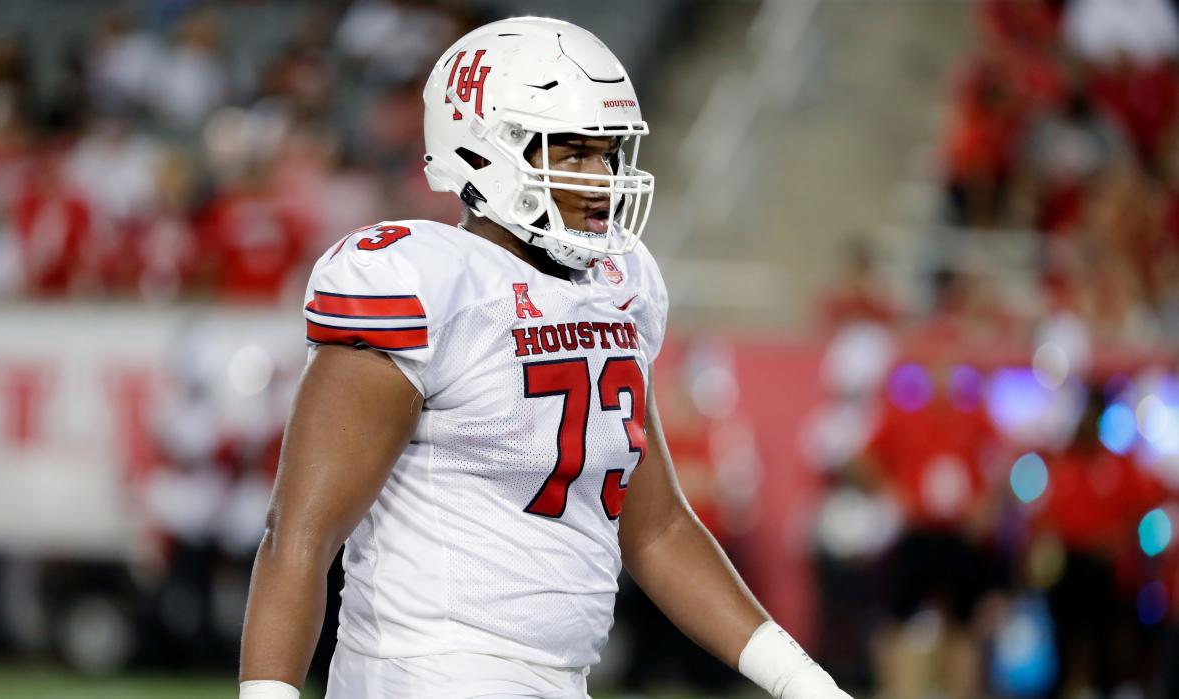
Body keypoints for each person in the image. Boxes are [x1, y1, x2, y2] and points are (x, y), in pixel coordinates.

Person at [238, 17, 855, 699]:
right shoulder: (428, 283)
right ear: (483, 153)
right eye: (572, 152)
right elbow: (299, 533)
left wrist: (803, 682)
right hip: (428, 670)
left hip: (559, 677)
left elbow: (658, 529)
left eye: (610, 153)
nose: (601, 179)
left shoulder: (619, 285)